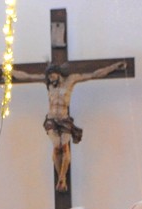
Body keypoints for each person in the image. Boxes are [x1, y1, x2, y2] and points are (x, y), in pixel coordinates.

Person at [12, 61, 127, 192]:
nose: (50, 79)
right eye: (49, 77)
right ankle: (62, 179)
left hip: (64, 119)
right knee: (57, 146)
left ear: (58, 73)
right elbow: (27, 76)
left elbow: (93, 74)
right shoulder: (48, 83)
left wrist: (114, 67)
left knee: (65, 147)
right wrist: (9, 72)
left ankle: (62, 179)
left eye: (52, 76)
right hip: (51, 119)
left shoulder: (71, 80)